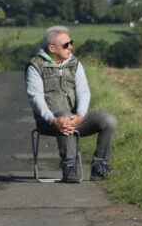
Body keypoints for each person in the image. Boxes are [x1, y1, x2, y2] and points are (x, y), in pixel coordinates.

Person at [25, 25, 118, 183]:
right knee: (64, 116)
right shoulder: (35, 66)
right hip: (49, 122)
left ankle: (99, 167)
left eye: (71, 43)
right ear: (52, 48)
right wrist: (53, 119)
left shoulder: (75, 63)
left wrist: (80, 116)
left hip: (75, 119)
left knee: (109, 120)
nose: (71, 47)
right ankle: (68, 166)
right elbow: (36, 98)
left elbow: (83, 91)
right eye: (66, 45)